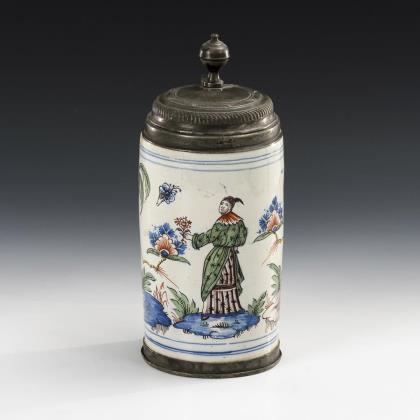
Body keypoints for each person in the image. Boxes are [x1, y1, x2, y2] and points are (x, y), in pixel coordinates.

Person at [191, 196, 248, 319]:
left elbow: (209, 236)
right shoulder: (239, 222)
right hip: (231, 256)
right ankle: (232, 307)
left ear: (230, 208)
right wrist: (233, 244)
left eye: (226, 205)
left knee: (212, 279)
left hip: (218, 256)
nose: (222, 206)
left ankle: (208, 310)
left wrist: (195, 240)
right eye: (221, 203)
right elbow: (242, 238)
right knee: (229, 280)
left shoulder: (221, 223)